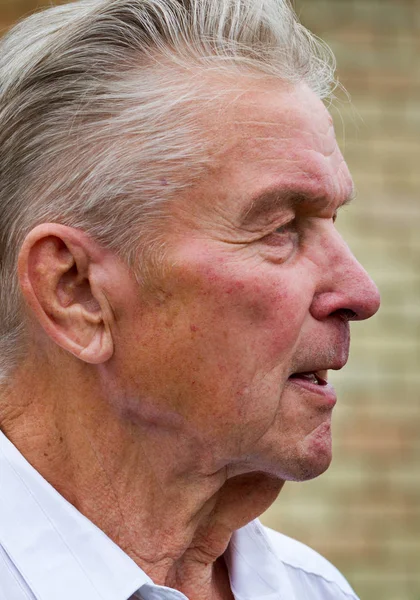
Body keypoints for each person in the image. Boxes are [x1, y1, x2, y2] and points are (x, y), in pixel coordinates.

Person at [0, 0, 380, 598]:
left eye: (334, 220)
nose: (360, 293)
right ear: (73, 290)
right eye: (280, 227)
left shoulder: (316, 589)